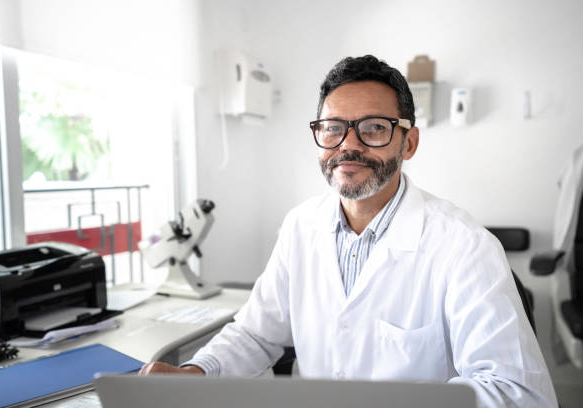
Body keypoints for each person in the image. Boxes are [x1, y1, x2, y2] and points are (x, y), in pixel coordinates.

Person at [139, 55, 558, 407]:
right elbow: (256, 332)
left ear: (407, 142)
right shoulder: (300, 226)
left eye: (374, 127)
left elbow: (517, 392)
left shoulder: (465, 246)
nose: (348, 144)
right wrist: (194, 373)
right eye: (333, 127)